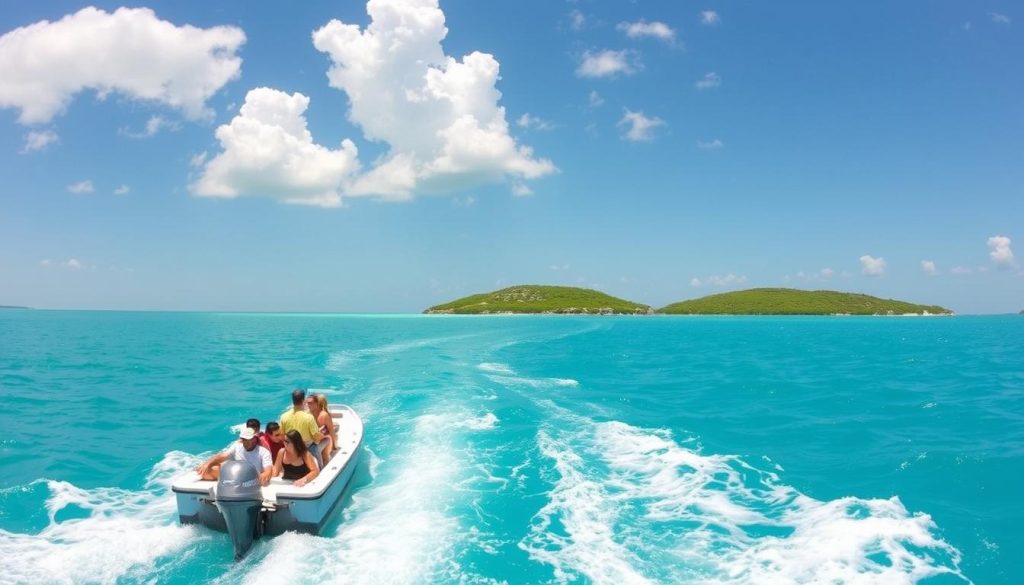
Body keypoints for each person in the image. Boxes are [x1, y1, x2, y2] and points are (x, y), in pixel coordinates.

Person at [196, 427, 273, 486]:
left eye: (247, 440)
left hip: (252, 479)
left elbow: (268, 470)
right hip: (234, 476)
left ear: (255, 440)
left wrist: (263, 476)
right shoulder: (237, 446)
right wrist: (208, 463)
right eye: (243, 439)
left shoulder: (263, 452)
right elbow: (223, 456)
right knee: (206, 471)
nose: (245, 442)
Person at [280, 389, 322, 461]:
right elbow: (317, 437)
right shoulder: (309, 417)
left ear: (293, 401)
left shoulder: (283, 416)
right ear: (303, 401)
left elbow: (282, 435)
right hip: (307, 447)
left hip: (291, 448)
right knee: (318, 447)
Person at [308, 394, 336, 467]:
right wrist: (334, 445)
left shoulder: (308, 414)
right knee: (325, 456)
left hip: (315, 440)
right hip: (323, 439)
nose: (308, 405)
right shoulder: (324, 415)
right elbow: (331, 431)